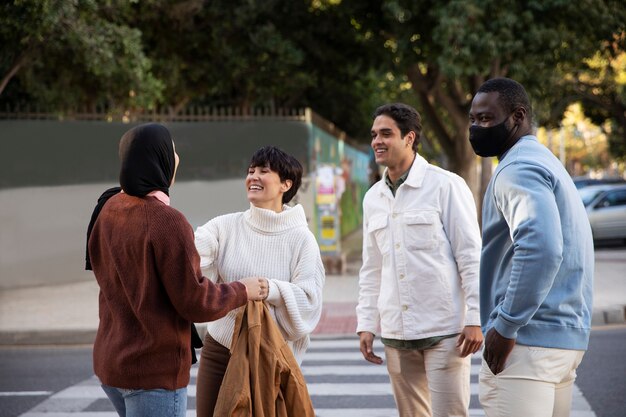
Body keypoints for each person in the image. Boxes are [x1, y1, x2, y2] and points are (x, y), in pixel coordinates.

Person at [86, 123, 267, 417]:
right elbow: (195, 302)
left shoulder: (108, 207)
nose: (177, 157)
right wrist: (242, 289)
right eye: (172, 150)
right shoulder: (166, 221)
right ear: (160, 159)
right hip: (152, 373)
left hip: (112, 364)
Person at [468, 77, 594, 417]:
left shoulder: (517, 168)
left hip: (526, 345)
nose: (476, 128)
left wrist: (506, 325)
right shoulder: (546, 161)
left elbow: (542, 247)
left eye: (486, 118)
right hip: (562, 340)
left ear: (518, 117)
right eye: (473, 119)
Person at [356, 103, 483, 417]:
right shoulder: (373, 197)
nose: (377, 142)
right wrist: (366, 323)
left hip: (446, 330)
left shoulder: (445, 185)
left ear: (409, 138)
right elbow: (372, 267)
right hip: (396, 333)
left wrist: (475, 317)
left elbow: (470, 255)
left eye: (386, 134)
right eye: (374, 135)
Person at [194, 145, 325, 417]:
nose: (253, 176)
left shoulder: (301, 239)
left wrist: (271, 289)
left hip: (270, 355)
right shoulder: (225, 226)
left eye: (264, 171)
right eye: (250, 171)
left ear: (285, 185)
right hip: (220, 349)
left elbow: (310, 301)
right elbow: (191, 256)